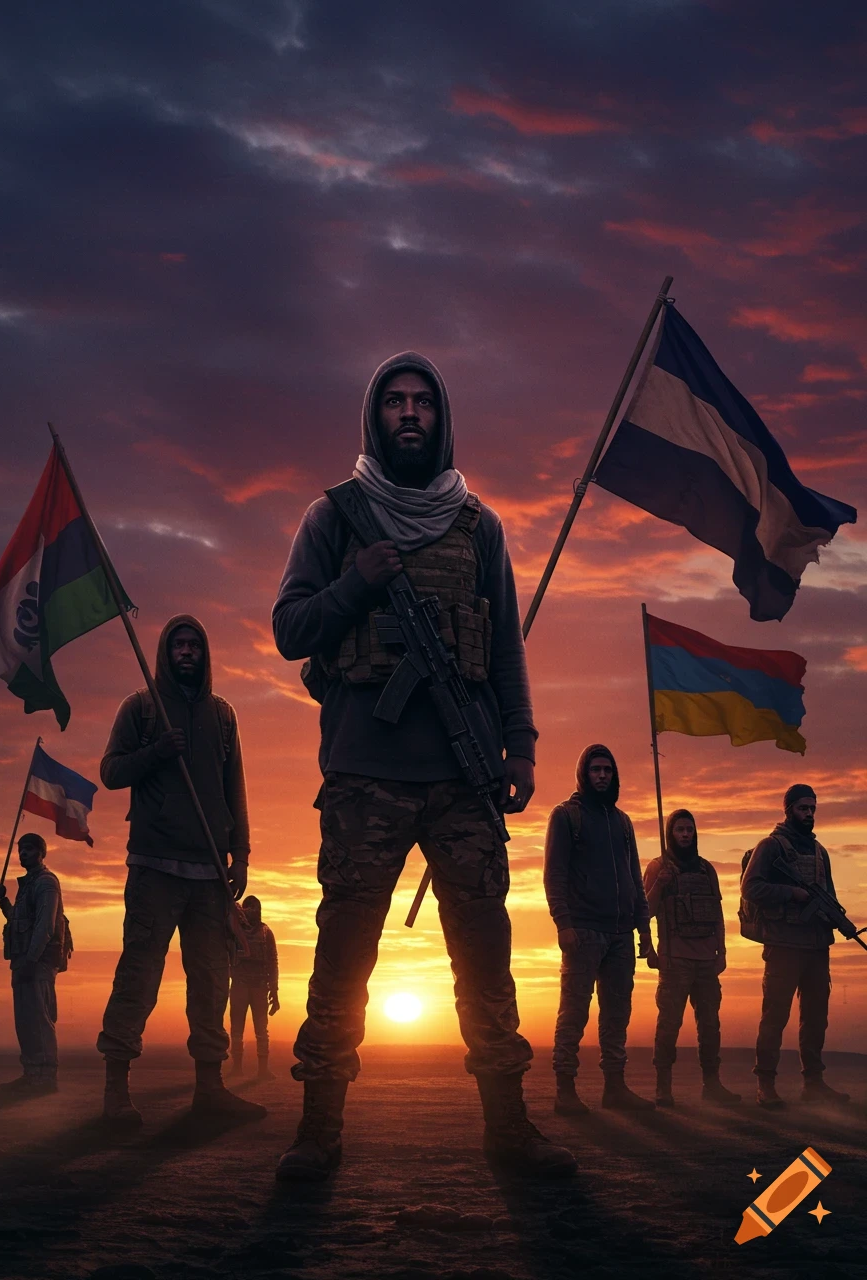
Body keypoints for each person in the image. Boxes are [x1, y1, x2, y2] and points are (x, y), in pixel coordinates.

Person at [272, 351, 576, 1181]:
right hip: (364, 776)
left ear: (442, 420)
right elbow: (291, 630)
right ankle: (318, 1130)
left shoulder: (480, 527)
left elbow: (505, 647)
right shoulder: (333, 518)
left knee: (485, 955)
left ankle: (509, 1128)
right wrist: (356, 586)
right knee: (343, 958)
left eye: (423, 404)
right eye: (395, 403)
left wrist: (521, 746)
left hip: (463, 777)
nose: (410, 415)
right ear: (375, 418)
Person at [96, 614, 265, 1126]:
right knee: (139, 976)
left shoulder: (224, 715)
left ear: (205, 653)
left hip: (211, 873)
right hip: (154, 867)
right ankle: (116, 1093)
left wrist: (242, 854)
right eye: (178, 645)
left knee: (211, 982)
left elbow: (234, 785)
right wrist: (155, 752)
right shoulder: (141, 709)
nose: (186, 652)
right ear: (165, 653)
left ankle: (209, 1090)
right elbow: (110, 772)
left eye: (194, 644)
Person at [543, 744, 654, 1114]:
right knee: (574, 1011)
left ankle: (615, 1088)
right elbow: (554, 874)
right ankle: (565, 1090)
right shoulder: (565, 816)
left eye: (608, 769)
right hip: (583, 930)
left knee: (617, 1013)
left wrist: (644, 934)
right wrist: (563, 923)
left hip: (621, 934)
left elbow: (635, 880)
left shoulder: (622, 823)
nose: (602, 775)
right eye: (596, 770)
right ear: (584, 774)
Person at [740, 784, 850, 1109]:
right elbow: (751, 887)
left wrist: (838, 919)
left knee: (816, 1017)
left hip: (816, 947)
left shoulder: (820, 852)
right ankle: (766, 1085)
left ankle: (813, 1083)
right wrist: (792, 894)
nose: (809, 814)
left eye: (813, 808)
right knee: (775, 1016)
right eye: (803, 808)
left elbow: (828, 895)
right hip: (784, 945)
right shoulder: (771, 847)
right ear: (788, 809)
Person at [643, 809, 740, 1107]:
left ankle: (712, 1085)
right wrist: (660, 883)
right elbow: (643, 912)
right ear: (670, 833)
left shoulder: (706, 869)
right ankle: (663, 1087)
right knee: (669, 1023)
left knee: (710, 1025)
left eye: (689, 829)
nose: (685, 834)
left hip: (706, 961)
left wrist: (722, 952)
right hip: (674, 961)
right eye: (679, 830)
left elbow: (718, 914)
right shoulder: (657, 868)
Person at [0, 832, 65, 1094]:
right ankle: (32, 1074)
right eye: (21, 849)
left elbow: (45, 926)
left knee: (39, 1019)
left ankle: (45, 1079)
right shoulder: (28, 886)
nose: (23, 853)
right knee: (25, 1020)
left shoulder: (45, 883)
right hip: (23, 961)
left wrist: (32, 961)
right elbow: (18, 921)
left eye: (29, 849)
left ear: (41, 852)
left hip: (38, 962)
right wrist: (3, 902)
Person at [229, 895, 279, 1078]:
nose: (252, 913)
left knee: (261, 1029)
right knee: (236, 1029)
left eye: (255, 909)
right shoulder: (234, 930)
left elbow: (273, 962)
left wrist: (274, 991)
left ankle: (263, 1069)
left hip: (259, 986)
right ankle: (237, 1067)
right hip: (240, 985)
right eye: (248, 909)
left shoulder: (266, 933)